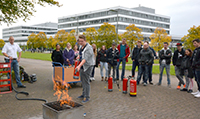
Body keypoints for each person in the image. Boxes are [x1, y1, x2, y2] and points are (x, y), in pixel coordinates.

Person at [76, 35, 94, 103]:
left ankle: (87, 97)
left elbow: (85, 59)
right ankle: (83, 94)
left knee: (86, 81)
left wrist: (79, 66)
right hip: (82, 65)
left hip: (88, 66)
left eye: (82, 41)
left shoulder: (89, 48)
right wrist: (78, 56)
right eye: (79, 41)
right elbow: (81, 55)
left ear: (85, 40)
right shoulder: (81, 47)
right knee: (82, 81)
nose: (80, 42)